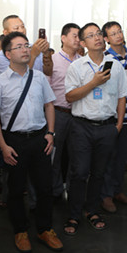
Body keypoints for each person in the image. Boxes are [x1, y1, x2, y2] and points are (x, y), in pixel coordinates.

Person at [0, 32, 63, 253]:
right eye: (19, 46)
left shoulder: (39, 77)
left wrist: (50, 133)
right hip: (14, 141)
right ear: (7, 54)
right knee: (16, 189)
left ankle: (45, 229)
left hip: (40, 138)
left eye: (26, 45)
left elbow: (49, 105)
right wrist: (3, 146)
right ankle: (20, 231)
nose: (25, 50)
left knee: (45, 187)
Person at [63, 23, 127, 235]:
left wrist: (118, 125)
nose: (98, 38)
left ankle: (92, 210)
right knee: (80, 172)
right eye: (91, 35)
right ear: (83, 43)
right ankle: (74, 214)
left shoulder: (116, 66)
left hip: (107, 127)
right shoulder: (77, 67)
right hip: (81, 126)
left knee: (99, 173)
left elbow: (122, 96)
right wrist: (93, 83)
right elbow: (69, 97)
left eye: (99, 34)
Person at [100, 21, 127, 213]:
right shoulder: (105, 58)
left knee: (123, 159)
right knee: (108, 158)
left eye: (119, 31)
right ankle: (106, 195)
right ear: (106, 39)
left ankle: (118, 191)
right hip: (112, 116)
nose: (118, 35)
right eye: (113, 33)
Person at [48, 23, 81, 199]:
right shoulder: (52, 60)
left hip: (79, 114)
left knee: (76, 156)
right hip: (58, 113)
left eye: (79, 36)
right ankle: (55, 191)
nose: (78, 39)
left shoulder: (83, 61)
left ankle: (72, 190)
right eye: (74, 35)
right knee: (55, 154)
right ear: (63, 38)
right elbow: (46, 90)